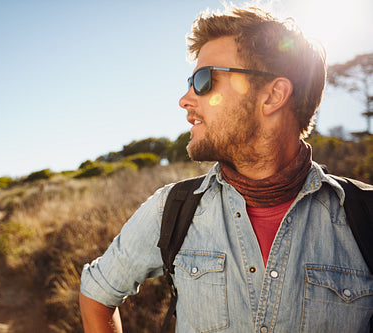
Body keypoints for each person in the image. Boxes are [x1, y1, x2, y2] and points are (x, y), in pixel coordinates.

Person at [79, 6, 373, 332]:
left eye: (204, 80)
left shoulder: (365, 215)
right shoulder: (173, 209)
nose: (185, 99)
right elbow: (96, 292)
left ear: (273, 95)